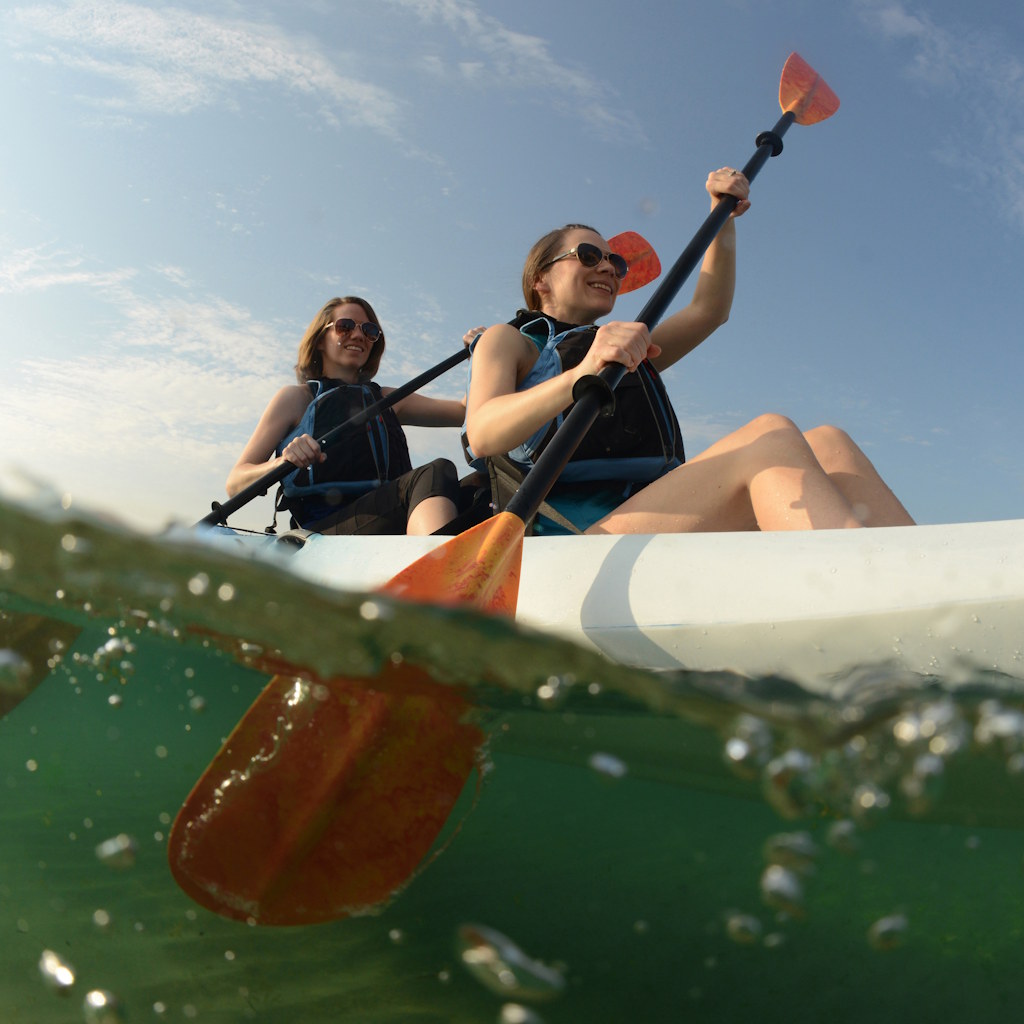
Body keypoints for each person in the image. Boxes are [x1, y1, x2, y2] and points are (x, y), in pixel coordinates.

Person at [462, 168, 914, 534]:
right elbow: (482, 433)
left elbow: (708, 311)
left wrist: (723, 219)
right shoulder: (511, 340)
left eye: (615, 263)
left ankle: (921, 583)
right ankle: (866, 592)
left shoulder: (625, 349)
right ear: (540, 278)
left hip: (648, 514)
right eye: (588, 255)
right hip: (570, 539)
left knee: (829, 442)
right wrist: (581, 375)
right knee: (770, 436)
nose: (608, 267)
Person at [228, 296, 466, 535]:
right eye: (345, 326)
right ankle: (433, 567)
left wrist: (482, 353)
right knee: (435, 472)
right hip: (322, 532)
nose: (359, 335)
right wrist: (284, 462)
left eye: (369, 330)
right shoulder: (296, 398)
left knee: (477, 490)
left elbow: (464, 412)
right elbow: (236, 483)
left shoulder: (388, 399)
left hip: (391, 513)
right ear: (320, 339)